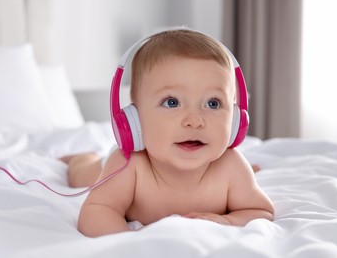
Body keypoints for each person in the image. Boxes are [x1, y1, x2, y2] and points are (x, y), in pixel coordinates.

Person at [62, 29, 274, 237]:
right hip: (101, 170)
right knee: (83, 175)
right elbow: (96, 211)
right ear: (135, 116)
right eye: (172, 102)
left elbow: (261, 212)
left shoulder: (232, 166)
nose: (195, 121)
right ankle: (82, 158)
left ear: (236, 118)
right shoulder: (129, 164)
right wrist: (130, 242)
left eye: (213, 103)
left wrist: (228, 220)